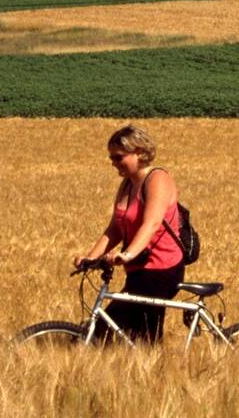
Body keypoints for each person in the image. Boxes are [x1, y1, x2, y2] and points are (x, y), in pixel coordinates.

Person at [73, 124, 185, 344]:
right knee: (134, 336)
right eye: (111, 158)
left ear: (140, 153)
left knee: (112, 331)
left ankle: (159, 374)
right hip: (138, 270)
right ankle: (151, 369)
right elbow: (115, 228)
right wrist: (90, 258)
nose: (113, 163)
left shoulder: (157, 179)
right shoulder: (127, 185)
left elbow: (151, 224)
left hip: (161, 269)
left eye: (118, 157)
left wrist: (128, 254)